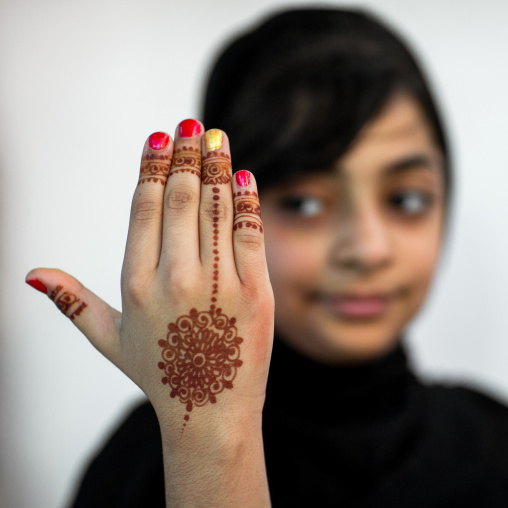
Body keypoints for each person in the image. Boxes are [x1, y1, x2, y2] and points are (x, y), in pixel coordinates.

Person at [25, 6, 508, 508]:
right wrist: (208, 450)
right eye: (304, 203)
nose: (369, 249)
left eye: (405, 199)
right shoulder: (148, 463)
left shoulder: (493, 447)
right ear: (221, 213)